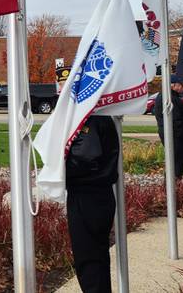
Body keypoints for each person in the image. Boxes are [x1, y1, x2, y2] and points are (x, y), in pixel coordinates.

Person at [65, 115, 119, 293]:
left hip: (88, 195)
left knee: (89, 261)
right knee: (97, 259)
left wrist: (58, 168)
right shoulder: (100, 117)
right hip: (97, 194)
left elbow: (85, 158)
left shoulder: (90, 120)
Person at [152, 74, 183, 179]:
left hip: (177, 138)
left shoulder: (172, 97)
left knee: (177, 162)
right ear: (172, 85)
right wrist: (182, 136)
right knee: (176, 163)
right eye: (180, 85)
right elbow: (175, 121)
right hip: (176, 138)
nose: (182, 87)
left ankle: (174, 185)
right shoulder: (169, 98)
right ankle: (173, 186)